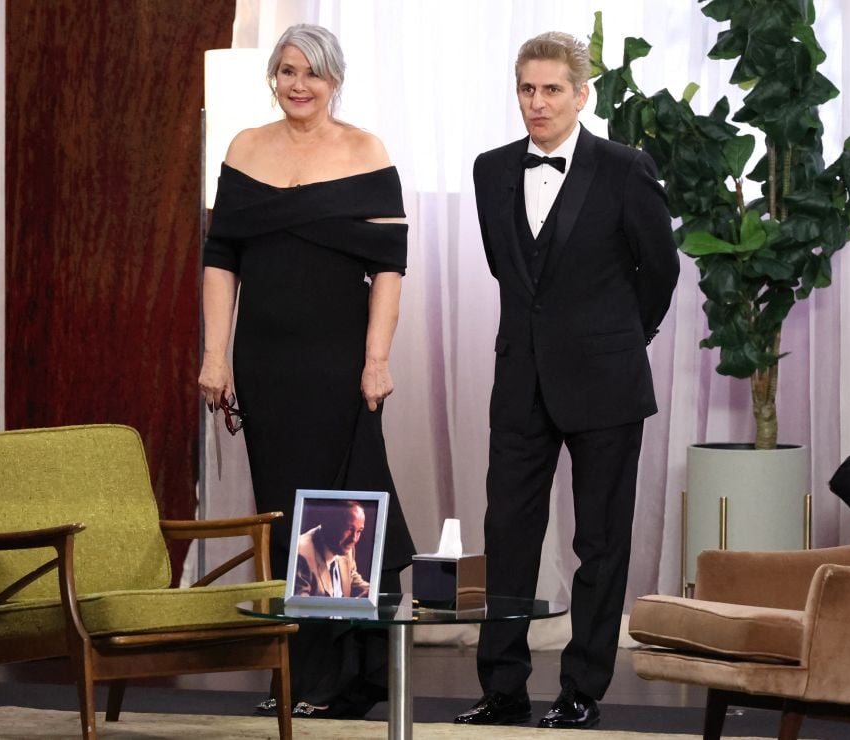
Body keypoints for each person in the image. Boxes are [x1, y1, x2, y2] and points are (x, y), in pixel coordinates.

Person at [454, 32, 679, 729]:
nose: (538, 102)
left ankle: (582, 689)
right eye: (527, 89)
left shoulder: (624, 167)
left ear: (582, 94)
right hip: (520, 379)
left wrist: (620, 340)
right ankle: (503, 689)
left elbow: (660, 269)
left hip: (606, 383)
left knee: (600, 543)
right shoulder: (491, 170)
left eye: (552, 89)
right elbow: (509, 270)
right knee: (510, 538)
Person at [198, 23, 416, 719]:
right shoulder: (244, 148)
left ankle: (340, 677)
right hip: (266, 363)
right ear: (275, 75)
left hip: (339, 362)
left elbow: (389, 268)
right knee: (289, 509)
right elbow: (221, 259)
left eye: (312, 73)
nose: (299, 84)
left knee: (341, 511)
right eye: (288, 70)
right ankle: (303, 673)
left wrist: (376, 360)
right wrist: (215, 354)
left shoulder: (365, 151)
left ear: (334, 80)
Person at [294, 500, 370, 598]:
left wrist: (371, 591)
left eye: (359, 531)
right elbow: (300, 607)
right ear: (330, 522)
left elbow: (351, 578)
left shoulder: (345, 546)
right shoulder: (301, 552)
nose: (354, 539)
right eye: (349, 529)